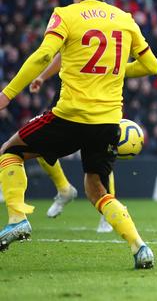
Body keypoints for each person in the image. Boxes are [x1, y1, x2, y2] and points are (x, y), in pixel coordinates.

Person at [0, 0, 157, 268]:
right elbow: (151, 66)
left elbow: (44, 54)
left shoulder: (65, 15)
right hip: (108, 121)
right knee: (96, 187)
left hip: (70, 116)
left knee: (10, 151)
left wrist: (7, 94)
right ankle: (139, 246)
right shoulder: (124, 18)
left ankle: (17, 217)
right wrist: (115, 71)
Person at [29, 54, 114, 233]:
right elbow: (63, 55)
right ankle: (64, 189)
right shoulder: (75, 27)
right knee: (37, 140)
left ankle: (108, 213)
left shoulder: (113, 30)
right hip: (69, 93)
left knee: (101, 155)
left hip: (101, 95)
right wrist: (42, 77)